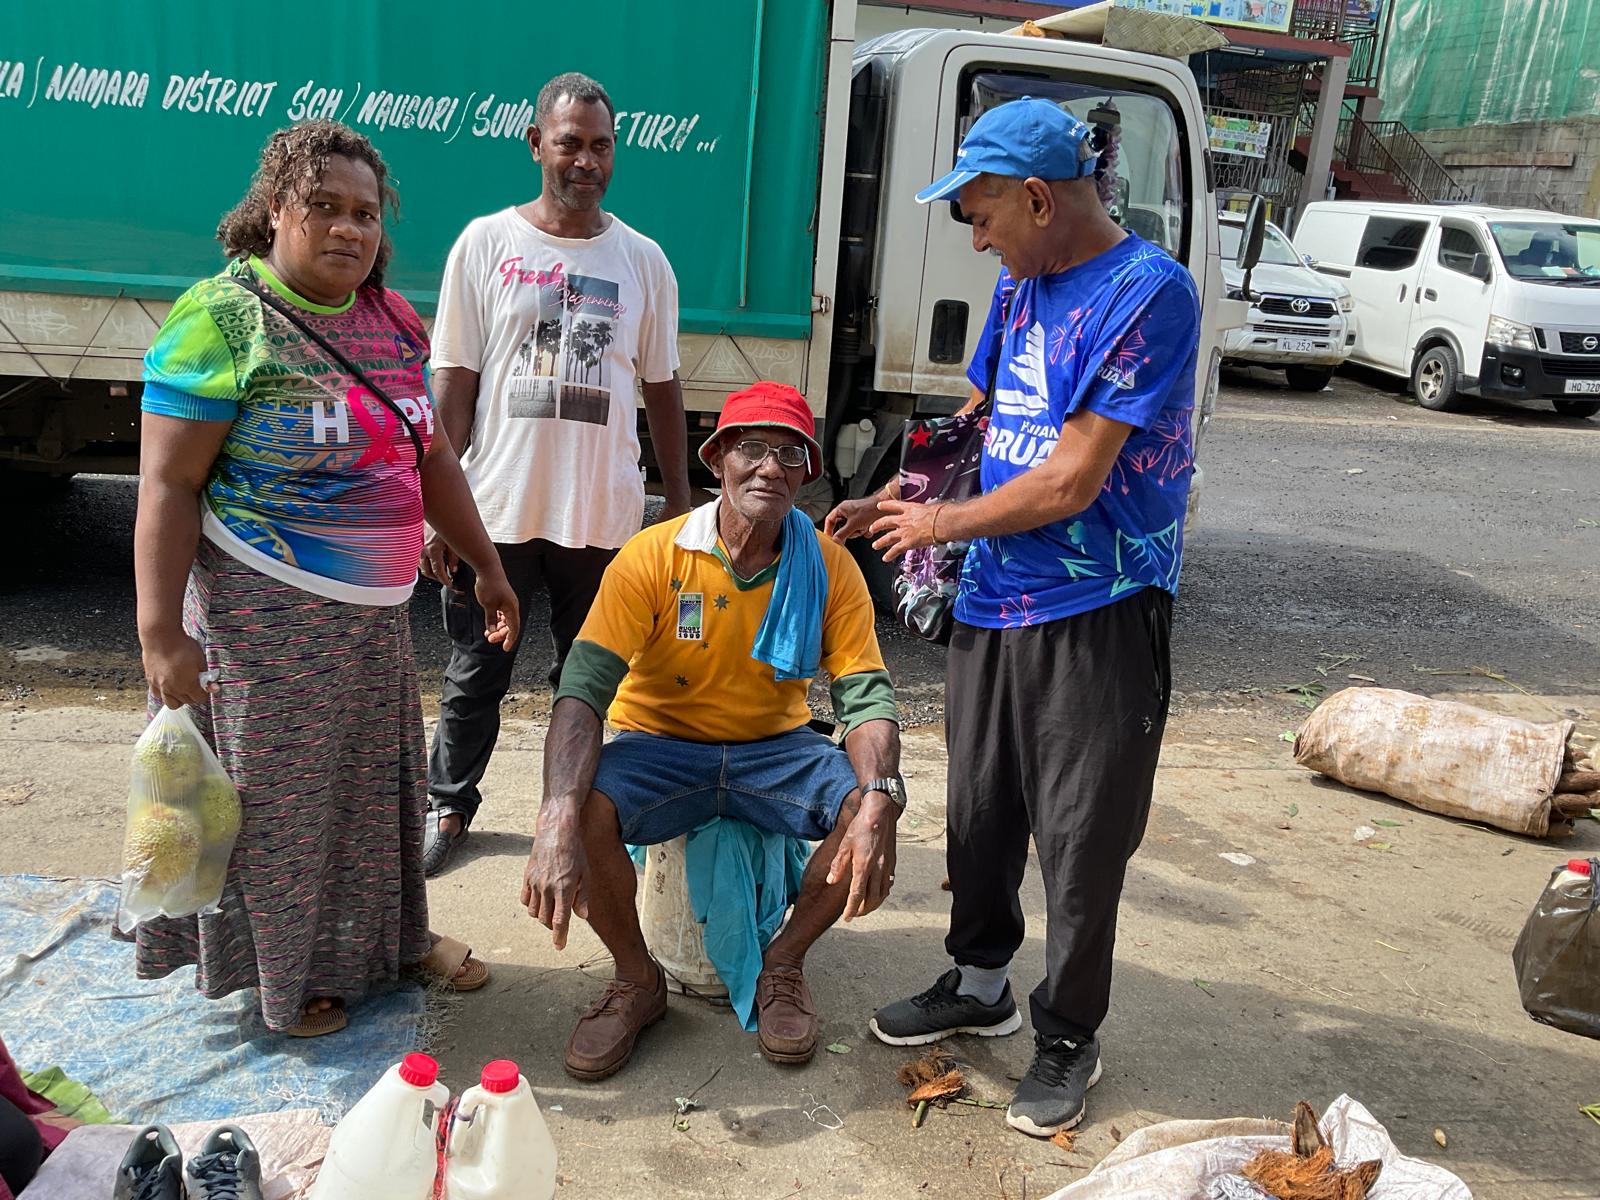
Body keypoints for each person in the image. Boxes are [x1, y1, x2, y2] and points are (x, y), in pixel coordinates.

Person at [829, 99, 1200, 1138]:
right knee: (982, 811)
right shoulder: (1018, 283)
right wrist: (900, 489)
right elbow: (991, 416)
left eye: (981, 212)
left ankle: (1069, 1033)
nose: (973, 233)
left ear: (1039, 198)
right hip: (994, 594)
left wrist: (941, 519)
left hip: (1099, 599)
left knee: (1080, 835)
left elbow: (1072, 480)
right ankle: (980, 978)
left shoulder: (1146, 295)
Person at [134, 120, 520, 1037]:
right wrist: (160, 633)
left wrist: (487, 565)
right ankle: (289, 976)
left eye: (366, 213)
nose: (350, 229)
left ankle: (389, 942)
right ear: (275, 213)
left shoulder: (391, 319)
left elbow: (430, 459)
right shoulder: (223, 318)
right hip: (263, 622)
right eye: (325, 209)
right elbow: (167, 483)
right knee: (282, 811)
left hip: (372, 624)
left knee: (373, 796)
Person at [521, 381, 902, 1079]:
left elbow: (865, 696)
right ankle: (637, 982)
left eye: (790, 454)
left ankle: (781, 966)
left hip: (773, 748)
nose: (770, 467)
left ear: (806, 474)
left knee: (867, 801)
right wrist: (554, 814)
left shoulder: (828, 565)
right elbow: (582, 692)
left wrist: (882, 797)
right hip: (659, 744)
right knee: (585, 807)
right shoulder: (655, 555)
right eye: (751, 448)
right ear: (717, 459)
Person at [420, 71, 693, 876]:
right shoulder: (485, 244)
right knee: (476, 675)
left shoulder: (643, 260)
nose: (586, 160)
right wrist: (440, 509)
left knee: (596, 679)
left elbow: (664, 392)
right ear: (535, 143)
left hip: (601, 516)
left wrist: (680, 512)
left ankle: (587, 816)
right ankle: (448, 806)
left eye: (600, 146)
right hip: (494, 511)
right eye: (569, 142)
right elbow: (454, 386)